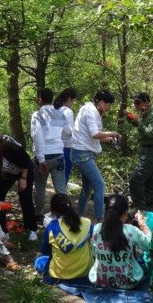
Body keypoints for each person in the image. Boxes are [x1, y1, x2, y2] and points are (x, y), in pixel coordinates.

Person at [70, 89, 120, 221]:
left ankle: (77, 218)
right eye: (108, 104)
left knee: (87, 187)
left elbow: (94, 137)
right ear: (101, 102)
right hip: (82, 154)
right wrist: (112, 133)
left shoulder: (93, 112)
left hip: (83, 153)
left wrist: (109, 139)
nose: (108, 108)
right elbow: (95, 134)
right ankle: (100, 221)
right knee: (99, 185)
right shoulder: (90, 111)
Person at [0, 131, 39, 240]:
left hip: (24, 170)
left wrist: (23, 179)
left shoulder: (10, 148)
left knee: (25, 197)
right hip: (8, 174)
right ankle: (2, 230)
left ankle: (31, 228)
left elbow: (26, 161)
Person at [89, 194, 151, 288]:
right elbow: (150, 245)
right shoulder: (131, 230)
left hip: (100, 281)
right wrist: (142, 224)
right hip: (127, 283)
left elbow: (94, 254)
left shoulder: (97, 228)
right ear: (125, 213)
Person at [32, 87, 70, 220]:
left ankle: (38, 215)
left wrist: (41, 159)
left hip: (44, 156)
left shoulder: (37, 115)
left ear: (40, 100)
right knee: (61, 189)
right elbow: (68, 132)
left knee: (40, 188)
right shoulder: (60, 114)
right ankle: (65, 216)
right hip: (58, 155)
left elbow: (37, 137)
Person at [36, 193, 93, 282]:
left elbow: (45, 250)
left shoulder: (52, 227)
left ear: (53, 211)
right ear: (71, 206)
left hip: (59, 275)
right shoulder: (87, 223)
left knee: (39, 261)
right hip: (84, 273)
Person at [126, 92, 153, 212]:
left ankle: (140, 209)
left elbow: (150, 133)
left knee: (136, 180)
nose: (136, 106)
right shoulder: (145, 113)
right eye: (134, 103)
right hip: (145, 150)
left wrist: (139, 122)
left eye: (138, 103)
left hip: (150, 151)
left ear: (146, 102)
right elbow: (141, 127)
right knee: (149, 182)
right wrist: (131, 119)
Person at [53, 87, 78, 186]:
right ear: (69, 99)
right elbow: (68, 131)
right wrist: (76, 129)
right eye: (73, 100)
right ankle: (61, 195)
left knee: (57, 178)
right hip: (66, 149)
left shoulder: (56, 110)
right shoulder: (68, 111)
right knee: (63, 179)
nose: (74, 102)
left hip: (55, 148)